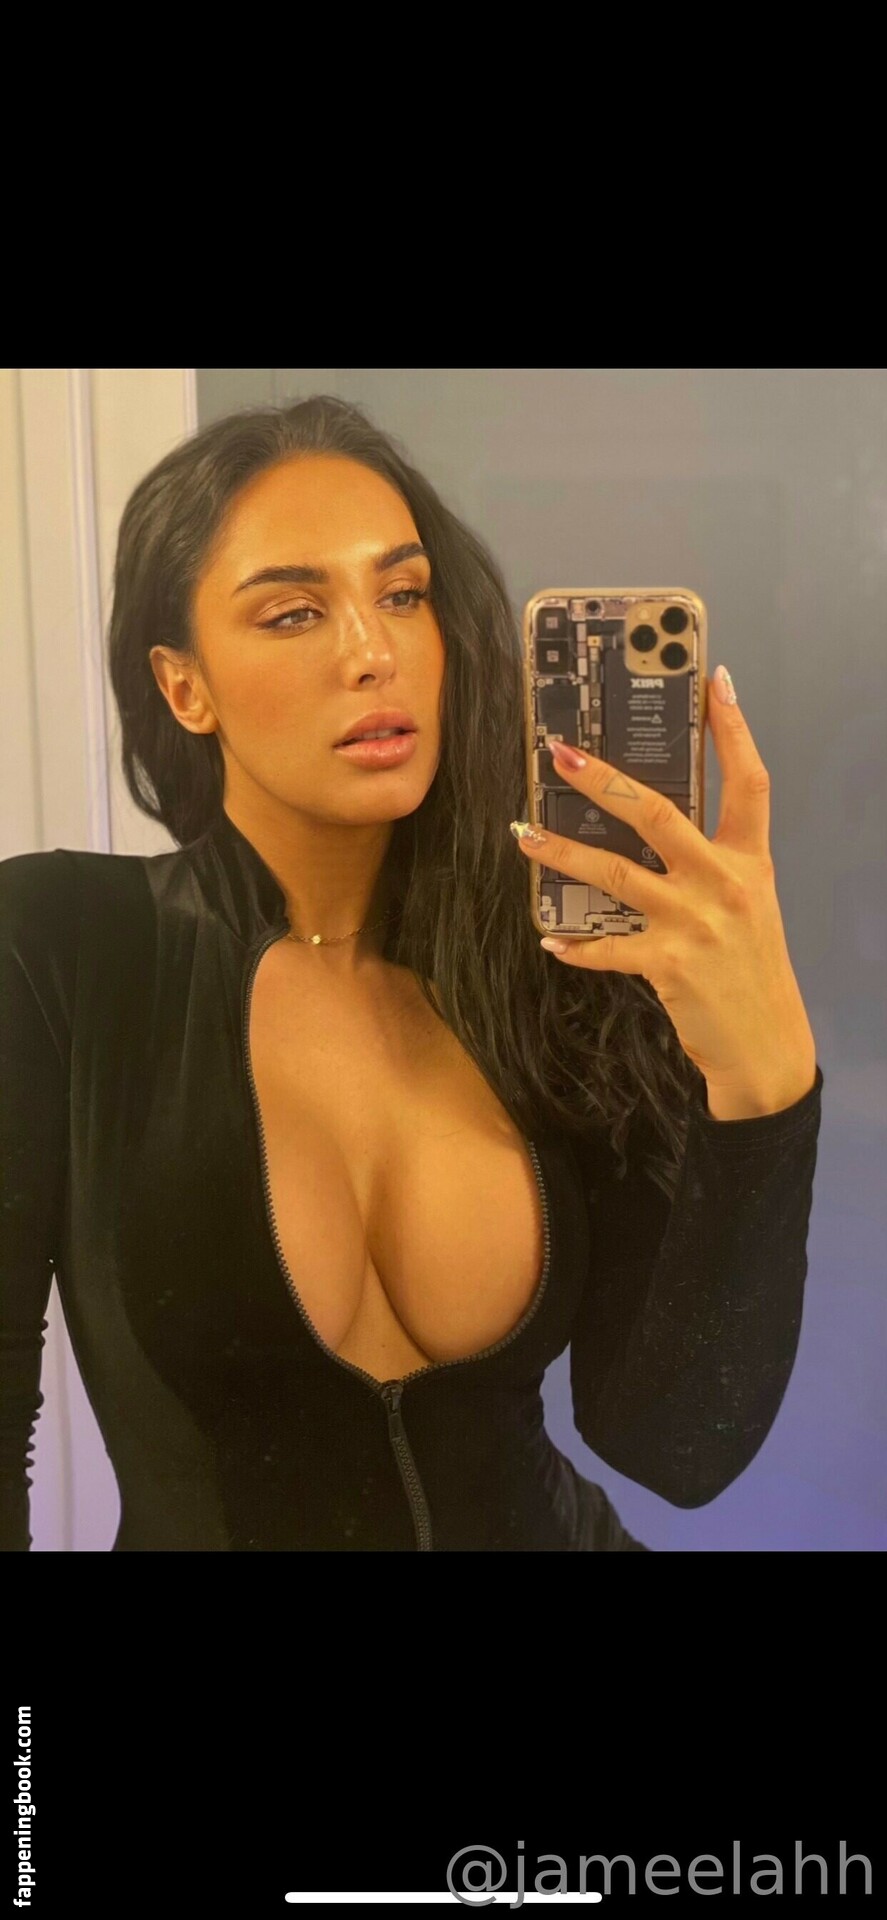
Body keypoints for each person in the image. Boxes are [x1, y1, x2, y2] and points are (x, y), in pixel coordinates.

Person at [0, 395, 824, 1552]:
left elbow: (673, 1447)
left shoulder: (552, 960)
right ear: (184, 687)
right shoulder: (58, 945)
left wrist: (764, 1082)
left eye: (401, 594)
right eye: (293, 612)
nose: (371, 651)